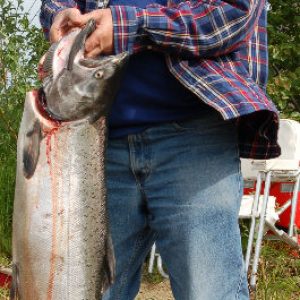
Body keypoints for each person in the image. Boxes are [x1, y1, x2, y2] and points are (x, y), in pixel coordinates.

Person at [40, 0, 280, 299]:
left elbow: (232, 13)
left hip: (195, 136)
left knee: (208, 292)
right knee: (81, 291)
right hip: (92, 141)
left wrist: (129, 24)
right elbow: (58, 4)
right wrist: (62, 16)